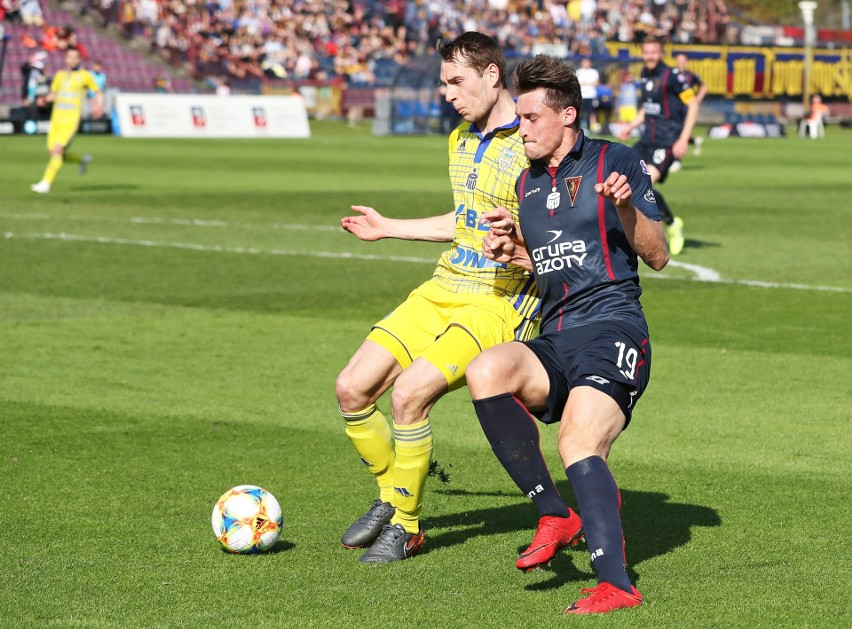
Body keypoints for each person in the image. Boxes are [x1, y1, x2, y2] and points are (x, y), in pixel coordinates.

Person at [335, 32, 574, 565]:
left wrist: (521, 231)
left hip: (501, 298)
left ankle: (407, 525)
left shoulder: (536, 140)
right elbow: (462, 219)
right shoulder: (461, 140)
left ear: (492, 76)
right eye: (443, 82)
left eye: (456, 81)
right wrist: (387, 228)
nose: (447, 93)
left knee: (408, 396)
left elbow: (566, 229)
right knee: (352, 388)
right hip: (444, 286)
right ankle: (391, 494)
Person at [467, 54, 669, 614]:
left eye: (531, 118)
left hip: (613, 327)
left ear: (568, 116)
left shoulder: (615, 160)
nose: (522, 128)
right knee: (485, 370)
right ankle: (555, 513)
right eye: (520, 118)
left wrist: (626, 208)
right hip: (555, 334)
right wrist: (516, 252)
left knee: (578, 442)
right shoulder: (526, 183)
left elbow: (657, 255)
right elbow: (553, 261)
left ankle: (617, 585)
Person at [619, 37, 699, 256]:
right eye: (647, 52)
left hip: (667, 141)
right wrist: (631, 125)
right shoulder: (645, 74)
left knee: (643, 184)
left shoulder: (672, 76)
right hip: (646, 140)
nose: (650, 56)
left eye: (654, 52)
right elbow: (648, 107)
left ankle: (672, 226)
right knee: (623, 180)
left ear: (661, 53)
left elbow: (693, 105)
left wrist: (683, 139)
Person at [31, 47, 103, 194]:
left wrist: (98, 106)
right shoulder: (60, 75)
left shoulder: (85, 76)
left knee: (57, 150)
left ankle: (46, 183)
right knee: (55, 153)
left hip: (70, 121)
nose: (72, 60)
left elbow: (98, 92)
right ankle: (82, 159)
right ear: (65, 59)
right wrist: (44, 100)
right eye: (69, 57)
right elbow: (53, 95)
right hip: (56, 120)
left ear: (80, 59)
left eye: (75, 57)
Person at [670, 52, 706, 169]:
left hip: (686, 109)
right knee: (675, 132)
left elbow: (703, 87)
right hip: (674, 108)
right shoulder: (672, 75)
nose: (681, 64)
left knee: (678, 132)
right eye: (679, 61)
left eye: (683, 61)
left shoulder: (691, 76)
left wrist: (697, 99)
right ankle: (694, 142)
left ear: (686, 62)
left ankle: (677, 160)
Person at [575, 57, 599, 133]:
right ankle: (579, 128)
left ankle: (588, 128)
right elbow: (577, 83)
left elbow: (596, 83)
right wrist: (589, 83)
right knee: (580, 112)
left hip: (591, 96)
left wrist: (585, 83)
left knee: (590, 112)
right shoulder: (578, 71)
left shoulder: (594, 72)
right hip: (581, 95)